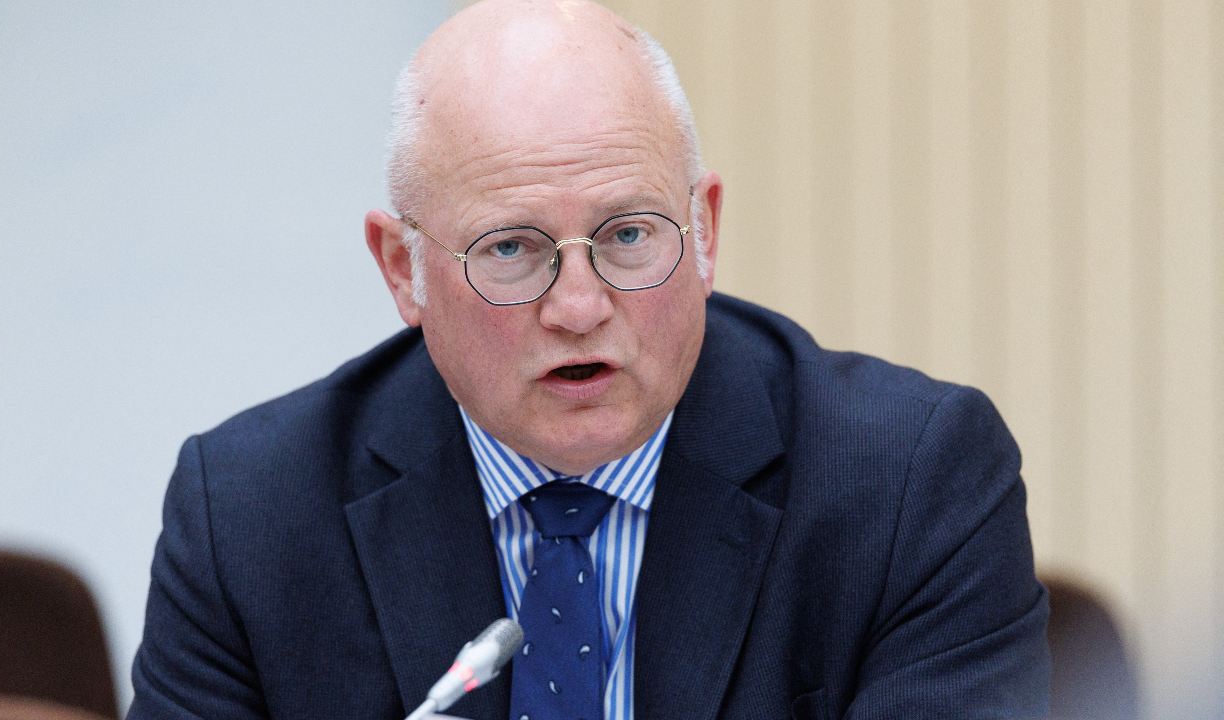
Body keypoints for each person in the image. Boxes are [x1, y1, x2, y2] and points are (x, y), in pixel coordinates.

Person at [127, 1, 1050, 718]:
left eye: (629, 234)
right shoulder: (249, 517)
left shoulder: (909, 483)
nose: (578, 307)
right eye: (510, 249)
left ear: (705, 230)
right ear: (404, 269)